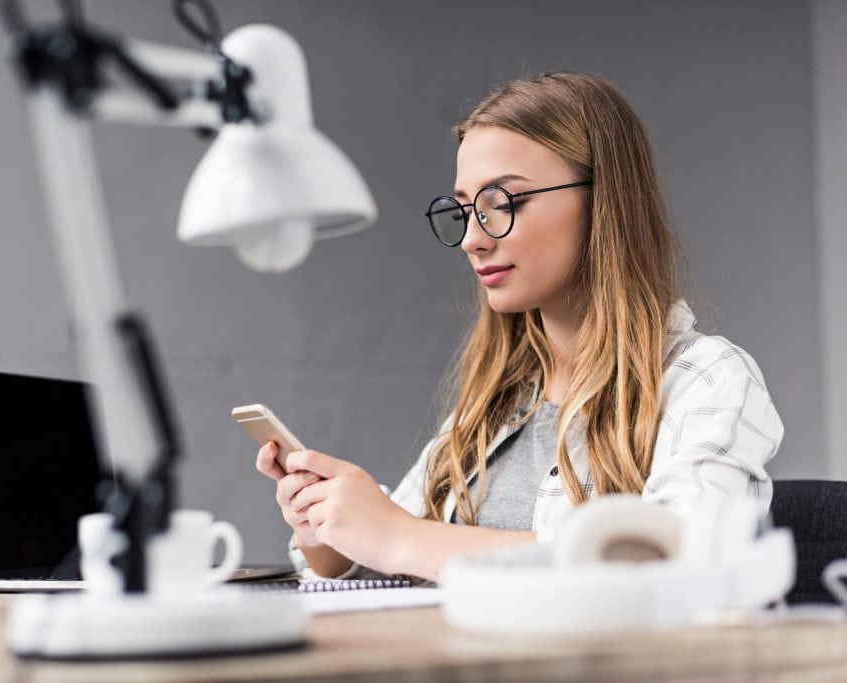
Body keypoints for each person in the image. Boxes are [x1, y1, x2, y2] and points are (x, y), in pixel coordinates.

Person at [255, 71, 783, 582]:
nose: (472, 240)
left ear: (604, 202)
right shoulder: (498, 402)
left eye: (502, 203)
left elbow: (681, 566)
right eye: (464, 211)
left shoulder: (706, 379)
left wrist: (398, 537)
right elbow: (397, 551)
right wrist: (327, 528)